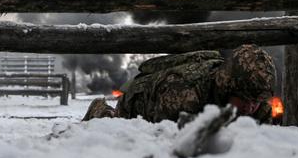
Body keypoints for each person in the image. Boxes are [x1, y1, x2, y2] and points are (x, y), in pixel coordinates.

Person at [82, 45, 276, 124]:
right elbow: (163, 140)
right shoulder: (184, 96)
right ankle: (101, 110)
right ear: (228, 87)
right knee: (117, 126)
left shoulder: (254, 102)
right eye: (244, 99)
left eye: (257, 100)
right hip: (140, 103)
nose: (251, 107)